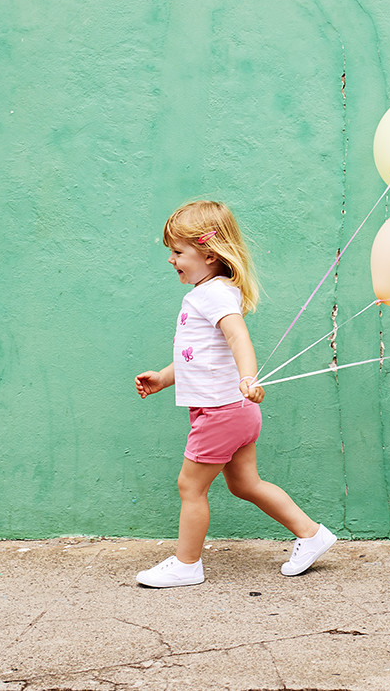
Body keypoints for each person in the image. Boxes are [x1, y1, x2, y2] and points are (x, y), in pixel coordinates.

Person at [134, 200, 336, 588]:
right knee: (245, 484)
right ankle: (311, 534)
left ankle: (187, 564)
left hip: (221, 411)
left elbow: (238, 336)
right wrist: (163, 378)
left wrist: (248, 377)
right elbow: (199, 356)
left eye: (178, 252)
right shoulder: (209, 292)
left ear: (209, 254)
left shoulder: (213, 295)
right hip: (234, 411)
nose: (171, 260)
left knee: (190, 486)